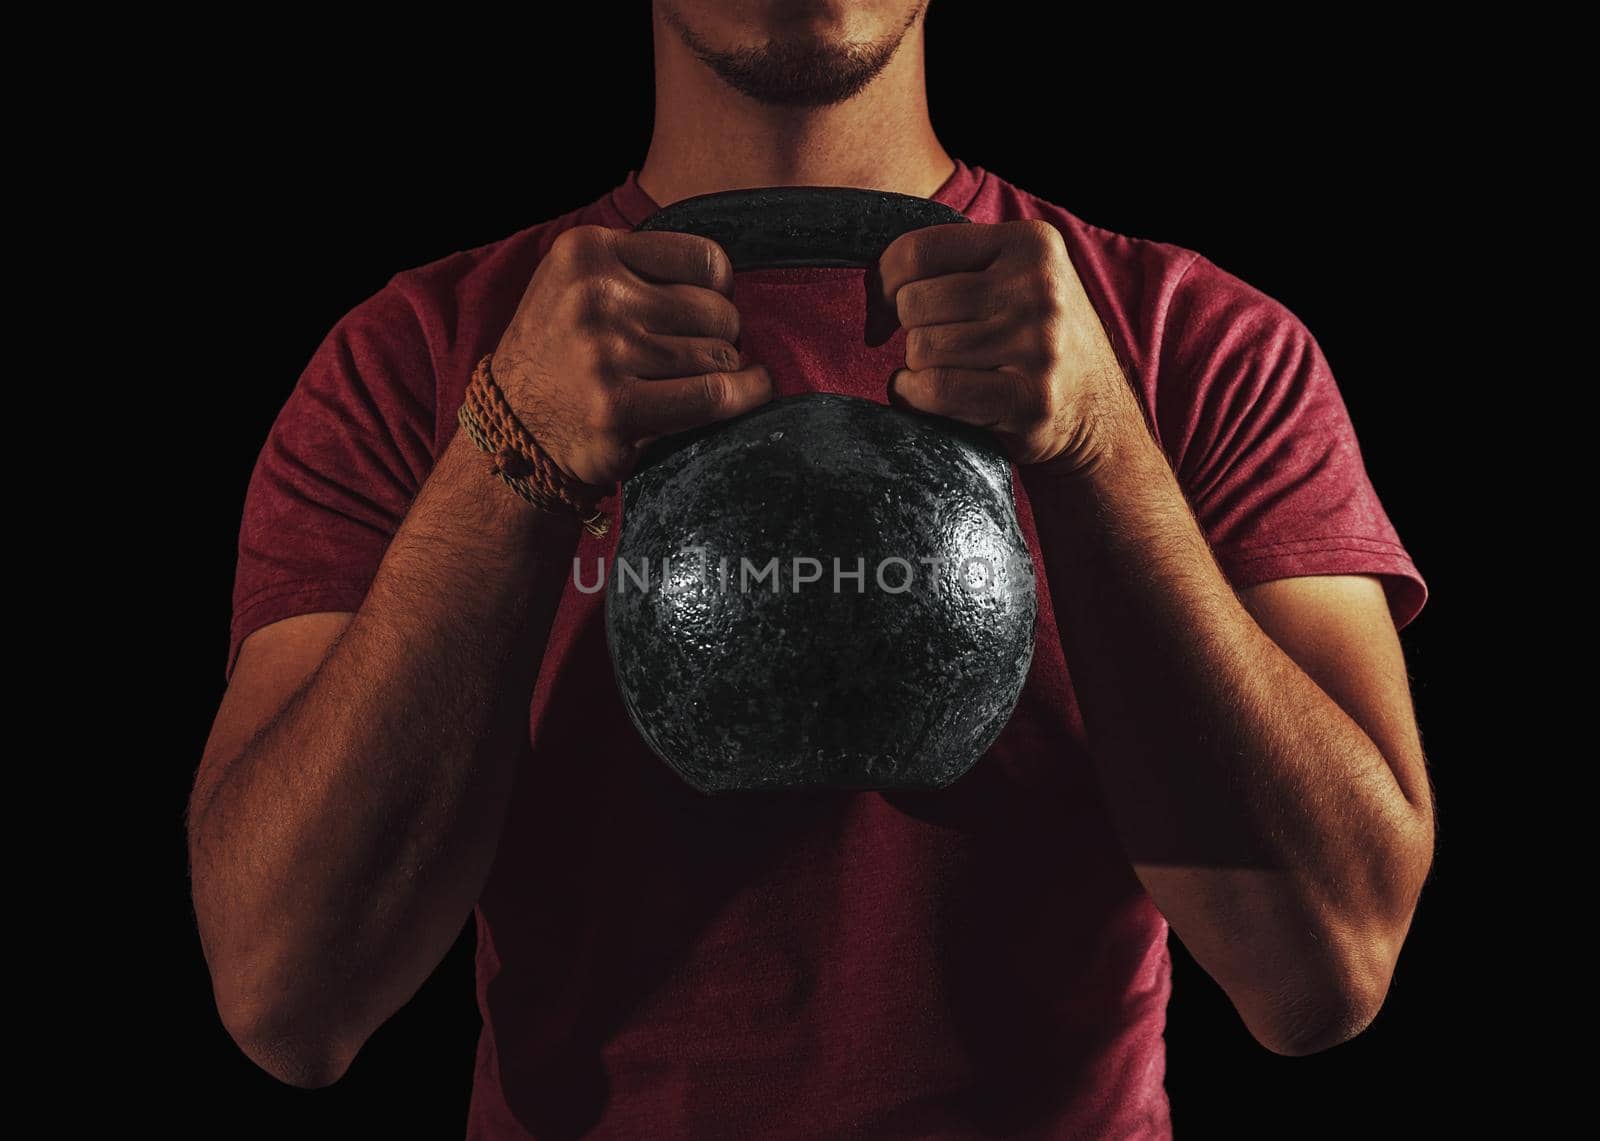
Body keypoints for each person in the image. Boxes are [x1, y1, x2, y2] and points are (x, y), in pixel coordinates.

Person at [186, 2, 1435, 1137]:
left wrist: (1106, 454)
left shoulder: (1197, 346)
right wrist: (505, 457)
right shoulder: (416, 359)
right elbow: (286, 1000)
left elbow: (1326, 971)